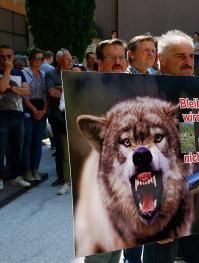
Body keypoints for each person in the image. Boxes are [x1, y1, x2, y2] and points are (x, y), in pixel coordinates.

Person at [143, 29, 199, 263]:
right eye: (180, 56)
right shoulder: (145, 91)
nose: (188, 61)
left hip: (194, 189)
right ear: (162, 60)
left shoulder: (195, 88)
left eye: (190, 55)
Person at [82, 38, 129, 263]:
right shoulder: (87, 89)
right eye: (111, 57)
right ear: (99, 63)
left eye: (121, 57)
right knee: (100, 252)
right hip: (100, 189)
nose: (118, 62)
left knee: (116, 250)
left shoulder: (135, 87)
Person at [0, 44, 31, 191]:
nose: (6, 58)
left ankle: (15, 177)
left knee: (17, 149)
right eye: (3, 56)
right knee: (1, 150)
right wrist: (6, 70)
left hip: (18, 116)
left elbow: (27, 92)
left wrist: (11, 88)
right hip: (2, 117)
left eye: (9, 56)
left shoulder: (19, 73)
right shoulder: (5, 71)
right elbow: (1, 87)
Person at [45, 48, 72, 192]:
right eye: (67, 59)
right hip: (57, 116)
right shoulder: (50, 74)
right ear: (59, 60)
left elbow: (78, 91)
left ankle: (72, 176)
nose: (70, 61)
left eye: (70, 59)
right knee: (60, 149)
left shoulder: (73, 73)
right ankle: (62, 177)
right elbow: (51, 92)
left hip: (73, 115)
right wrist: (67, 90)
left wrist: (60, 89)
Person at [21, 48, 48, 182]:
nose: (38, 60)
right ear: (30, 59)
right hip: (27, 108)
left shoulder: (44, 74)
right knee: (27, 141)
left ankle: (35, 170)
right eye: (36, 58)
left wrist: (43, 111)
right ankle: (27, 171)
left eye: (41, 58)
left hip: (41, 109)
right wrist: (32, 109)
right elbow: (22, 94)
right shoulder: (23, 73)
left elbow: (47, 95)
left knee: (37, 142)